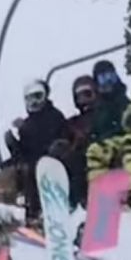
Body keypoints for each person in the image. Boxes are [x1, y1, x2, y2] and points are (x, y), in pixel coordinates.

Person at [86, 60, 131, 216]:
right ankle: (102, 197)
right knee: (94, 153)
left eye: (110, 77)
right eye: (102, 79)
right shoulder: (99, 109)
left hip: (126, 139)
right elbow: (95, 131)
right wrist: (94, 139)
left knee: (130, 149)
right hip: (107, 144)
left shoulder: (124, 102)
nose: (107, 82)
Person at [4, 79, 67, 227]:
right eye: (30, 99)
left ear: (45, 96)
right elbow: (23, 152)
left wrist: (24, 129)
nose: (34, 102)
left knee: (31, 170)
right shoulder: (27, 124)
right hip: (31, 163)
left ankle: (35, 214)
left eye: (38, 97)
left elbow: (57, 140)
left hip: (49, 163)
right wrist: (12, 143)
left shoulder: (54, 116)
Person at [48, 75, 98, 211]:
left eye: (87, 94)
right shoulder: (73, 122)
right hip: (79, 159)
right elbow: (63, 137)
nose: (84, 99)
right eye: (80, 96)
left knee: (79, 163)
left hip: (97, 155)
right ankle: (61, 203)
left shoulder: (102, 114)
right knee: (69, 161)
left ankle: (79, 200)